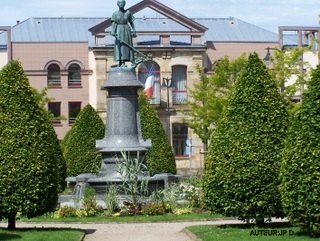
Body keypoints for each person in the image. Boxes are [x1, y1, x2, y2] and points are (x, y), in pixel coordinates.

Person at [110, 0, 136, 67]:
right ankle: (119, 62)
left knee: (126, 46)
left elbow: (131, 22)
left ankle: (124, 62)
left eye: (122, 3)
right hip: (118, 29)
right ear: (118, 4)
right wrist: (113, 31)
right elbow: (113, 23)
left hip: (126, 29)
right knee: (119, 45)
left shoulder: (128, 12)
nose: (121, 4)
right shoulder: (115, 13)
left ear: (124, 4)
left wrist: (134, 30)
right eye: (120, 3)